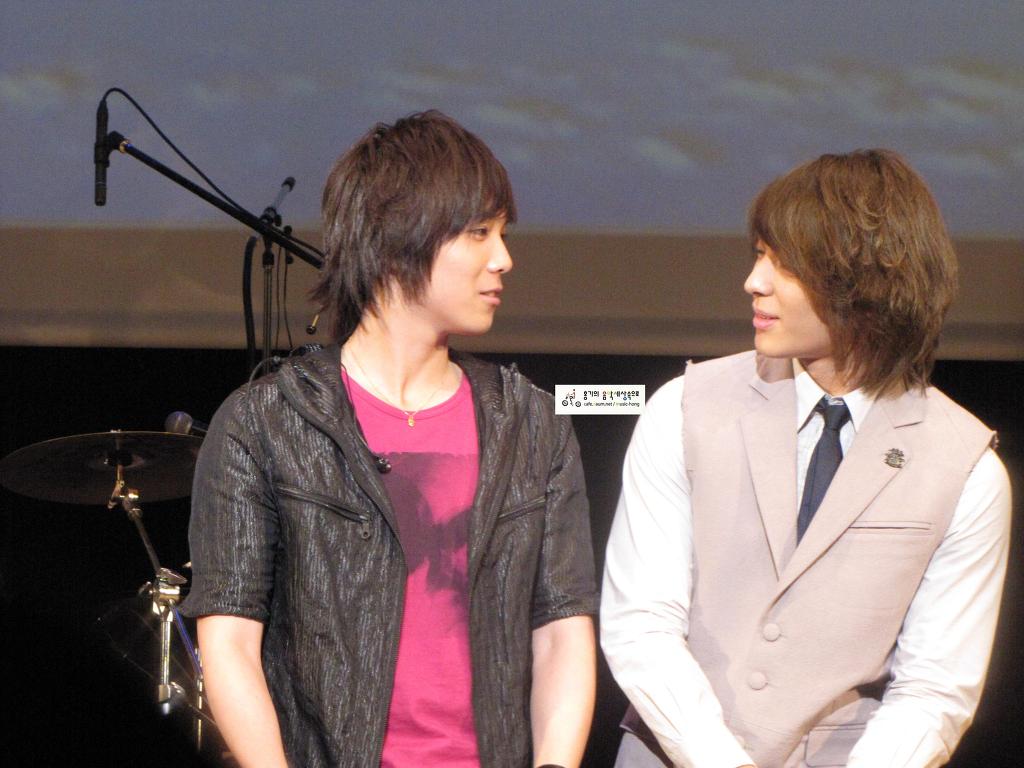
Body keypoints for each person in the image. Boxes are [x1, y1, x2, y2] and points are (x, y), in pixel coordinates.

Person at [182, 111, 598, 768]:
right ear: (400, 237)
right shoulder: (267, 422)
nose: (503, 258)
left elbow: (562, 631)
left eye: (503, 234)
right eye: (479, 232)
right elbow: (229, 638)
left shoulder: (530, 423)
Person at [601, 149, 1011, 768]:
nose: (754, 281)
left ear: (864, 281)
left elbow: (934, 688)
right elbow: (641, 623)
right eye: (759, 254)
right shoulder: (683, 409)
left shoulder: (966, 469)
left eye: (785, 264)